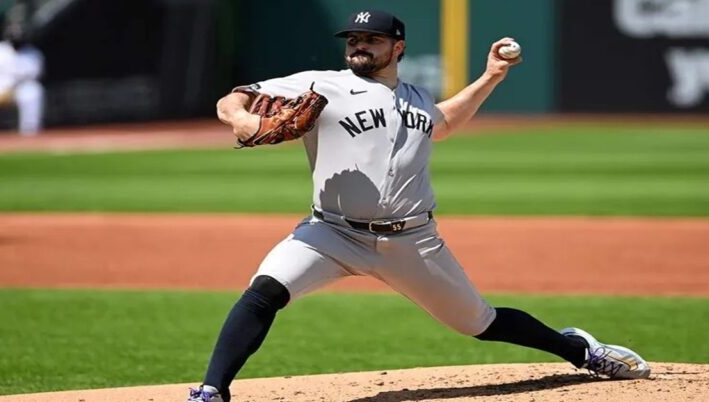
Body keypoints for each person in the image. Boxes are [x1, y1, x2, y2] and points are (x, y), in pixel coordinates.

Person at [187, 10, 650, 402]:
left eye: (372, 39)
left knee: (480, 323)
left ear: (398, 47)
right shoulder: (320, 84)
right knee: (264, 291)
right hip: (331, 234)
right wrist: (243, 120)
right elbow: (235, 98)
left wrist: (491, 76)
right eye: (353, 39)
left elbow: (442, 123)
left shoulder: (416, 98)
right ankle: (212, 391)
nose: (359, 46)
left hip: (412, 240)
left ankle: (579, 350)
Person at [0, 23, 44, 135]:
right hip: (0, 85)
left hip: (21, 87)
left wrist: (11, 91)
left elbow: (35, 75)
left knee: (33, 91)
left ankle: (29, 131)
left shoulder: (33, 53)